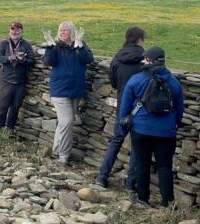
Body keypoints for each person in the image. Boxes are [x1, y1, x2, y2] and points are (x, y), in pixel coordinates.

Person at [119, 46, 184, 207]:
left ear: (148, 60)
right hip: (166, 132)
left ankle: (143, 198)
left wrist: (124, 123)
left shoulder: (136, 79)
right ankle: (168, 203)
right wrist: (174, 125)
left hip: (141, 129)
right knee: (164, 166)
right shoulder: (174, 82)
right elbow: (179, 108)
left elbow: (125, 106)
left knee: (142, 164)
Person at [96, 26, 146, 189]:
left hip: (123, 104)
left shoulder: (118, 57)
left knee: (116, 140)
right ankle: (130, 182)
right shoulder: (145, 60)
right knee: (137, 146)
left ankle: (102, 176)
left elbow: (113, 81)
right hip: (140, 108)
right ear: (140, 39)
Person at [42, 21, 94, 165]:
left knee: (65, 124)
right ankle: (63, 155)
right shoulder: (56, 47)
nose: (62, 32)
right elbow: (48, 61)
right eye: (60, 30)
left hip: (76, 90)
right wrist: (50, 46)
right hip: (59, 90)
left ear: (71, 32)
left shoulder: (80, 45)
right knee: (67, 121)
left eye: (65, 30)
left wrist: (79, 45)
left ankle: (57, 151)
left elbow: (88, 59)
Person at [0, 22, 34, 131]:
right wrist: (10, 58)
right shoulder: (4, 44)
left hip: (20, 82)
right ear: (9, 30)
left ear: (21, 32)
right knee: (2, 107)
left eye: (17, 30)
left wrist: (23, 60)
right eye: (12, 29)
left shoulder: (26, 45)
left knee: (15, 107)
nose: (14, 32)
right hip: (6, 80)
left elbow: (32, 61)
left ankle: (9, 131)